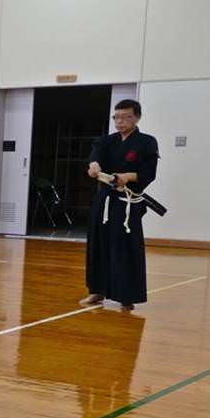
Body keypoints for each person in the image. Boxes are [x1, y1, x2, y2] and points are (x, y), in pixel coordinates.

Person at [82, 99, 159, 311]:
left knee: (125, 248)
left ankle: (127, 296)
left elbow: (148, 173)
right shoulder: (106, 141)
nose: (120, 121)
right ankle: (96, 291)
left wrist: (127, 176)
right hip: (104, 201)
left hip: (126, 203)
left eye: (126, 117)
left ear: (137, 118)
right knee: (98, 244)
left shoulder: (146, 142)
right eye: (117, 117)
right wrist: (94, 165)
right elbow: (96, 156)